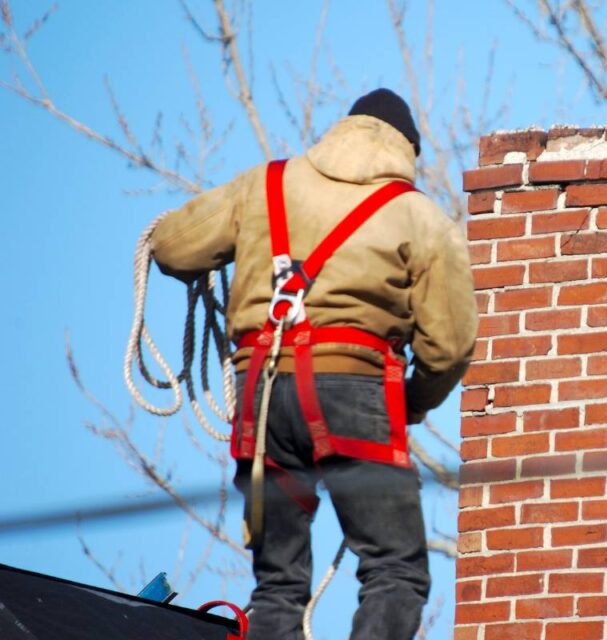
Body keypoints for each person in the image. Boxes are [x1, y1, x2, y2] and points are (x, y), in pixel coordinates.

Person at [150, 88, 478, 640]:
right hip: (354, 389)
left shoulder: (264, 185)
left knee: (278, 583)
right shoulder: (420, 218)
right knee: (394, 567)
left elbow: (171, 248)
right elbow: (448, 348)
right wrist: (412, 402)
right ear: (407, 150)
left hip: (260, 391)